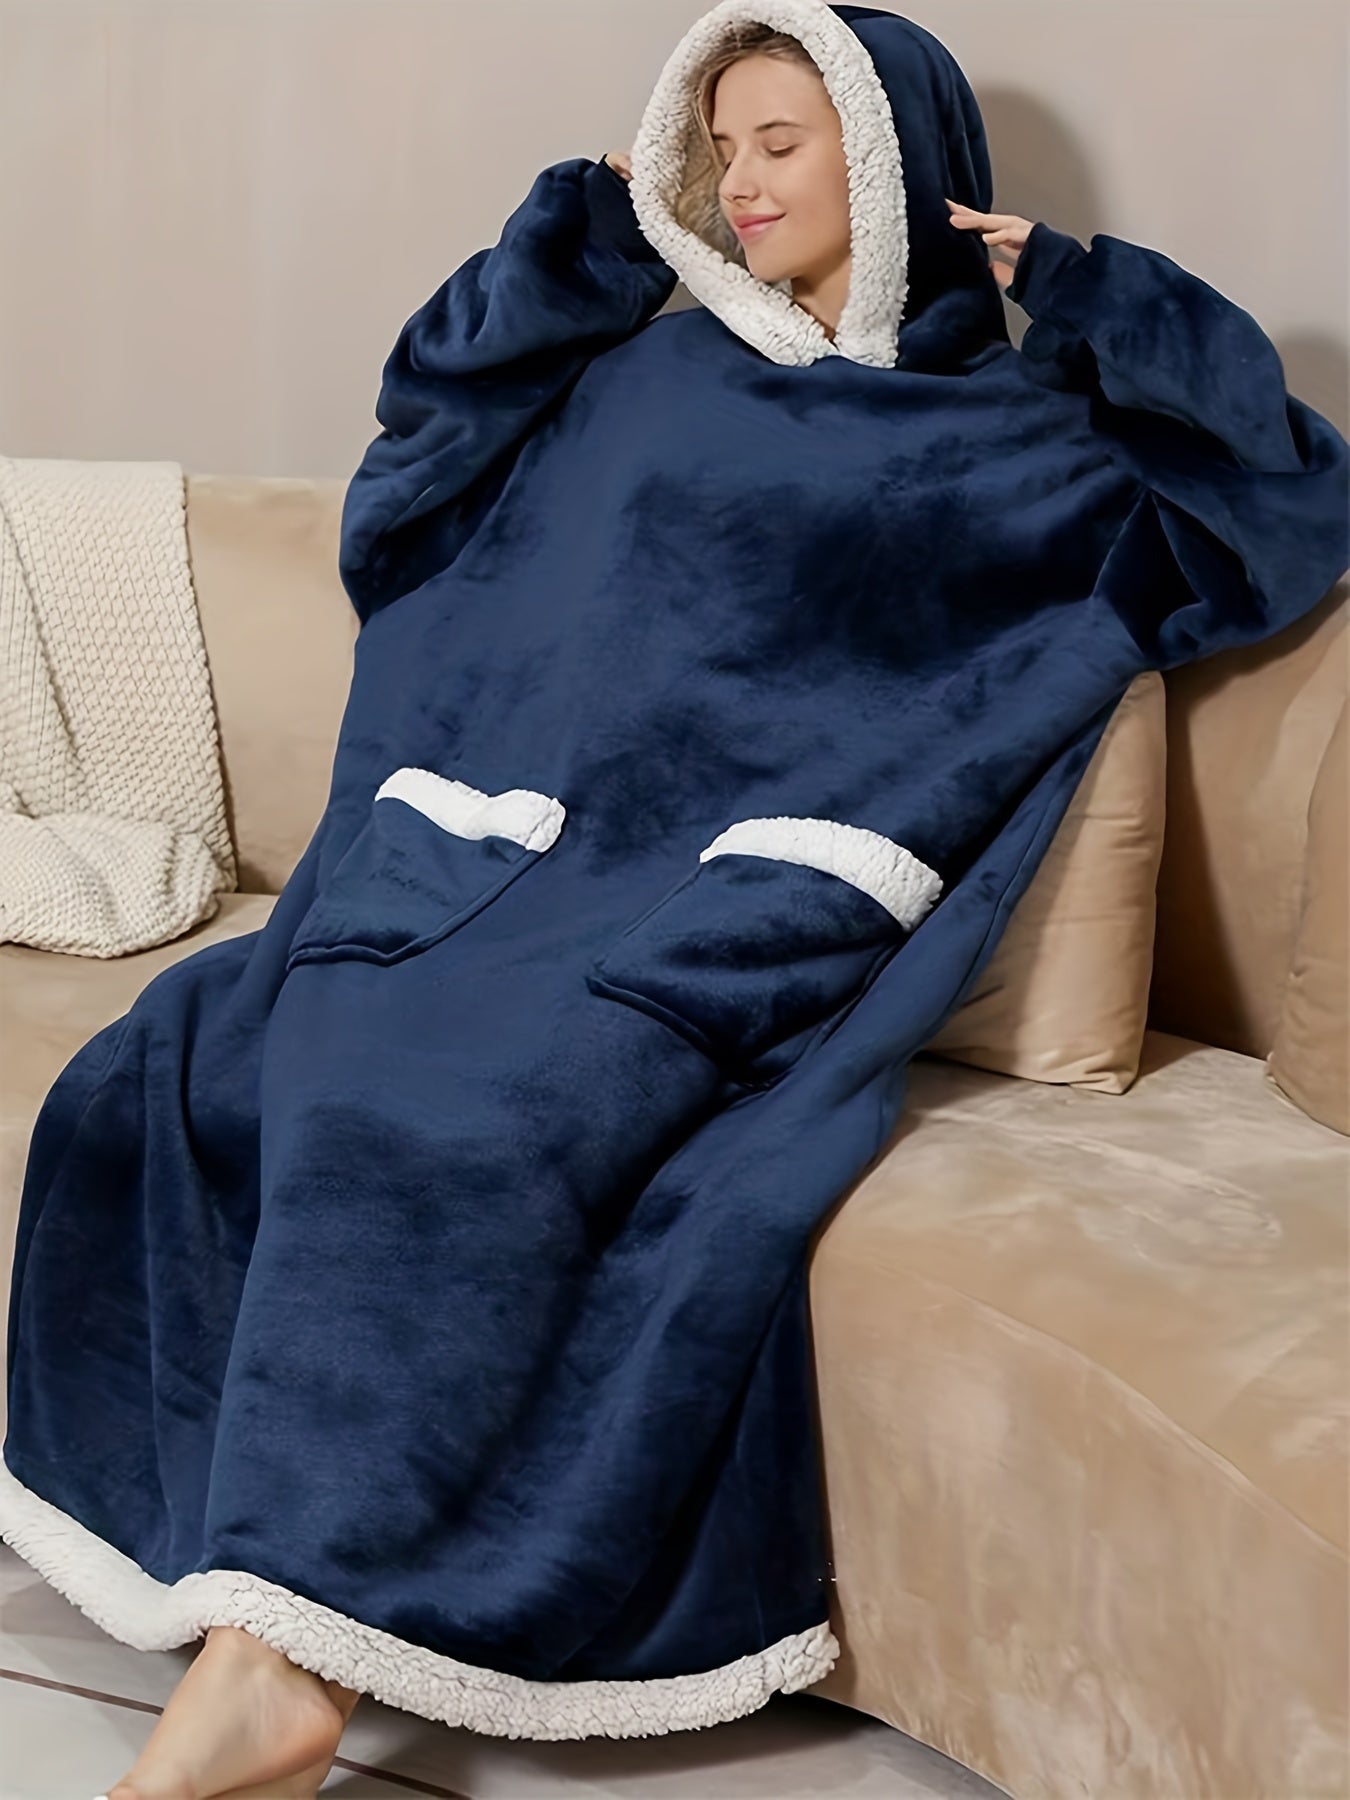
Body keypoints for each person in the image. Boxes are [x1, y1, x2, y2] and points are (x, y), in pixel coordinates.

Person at [3, 4, 1346, 1797]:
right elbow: (414, 490)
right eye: (718, 149)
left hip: (728, 911)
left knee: (464, 1125)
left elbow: (1278, 507)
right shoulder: (641, 374)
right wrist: (569, 260)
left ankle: (274, 1665)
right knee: (211, 1075)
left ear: (896, 159)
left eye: (780, 141)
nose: (741, 181)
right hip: (499, 866)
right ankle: (271, 1646)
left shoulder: (1030, 435)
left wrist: (1101, 298)